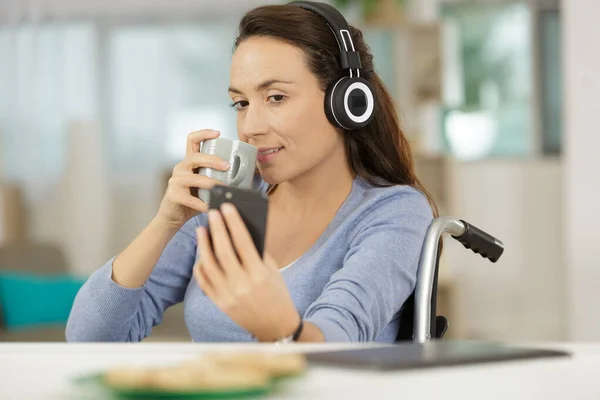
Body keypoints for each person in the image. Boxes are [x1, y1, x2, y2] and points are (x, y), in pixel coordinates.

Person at [65, 1, 438, 343]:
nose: (250, 127)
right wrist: (166, 221)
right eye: (241, 103)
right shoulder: (230, 201)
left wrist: (279, 327)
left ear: (347, 102)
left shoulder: (393, 211)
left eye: (275, 97)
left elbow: (340, 337)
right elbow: (88, 339)